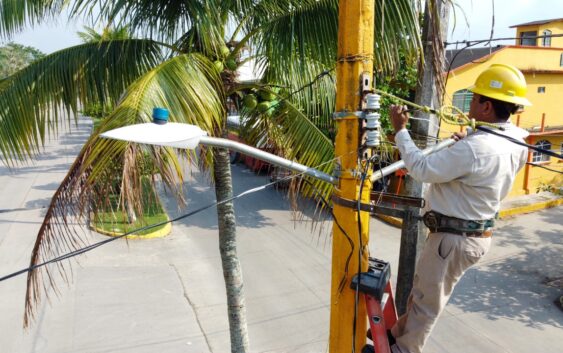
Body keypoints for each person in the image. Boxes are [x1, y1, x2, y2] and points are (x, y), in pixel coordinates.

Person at [388, 64, 532, 353]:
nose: (471, 103)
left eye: (476, 98)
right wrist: (464, 144)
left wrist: (400, 130)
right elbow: (477, 162)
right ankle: (398, 335)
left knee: (428, 302)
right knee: (424, 293)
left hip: (454, 238)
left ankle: (403, 350)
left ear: (487, 107)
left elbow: (421, 168)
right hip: (469, 235)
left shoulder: (475, 148)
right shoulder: (516, 140)